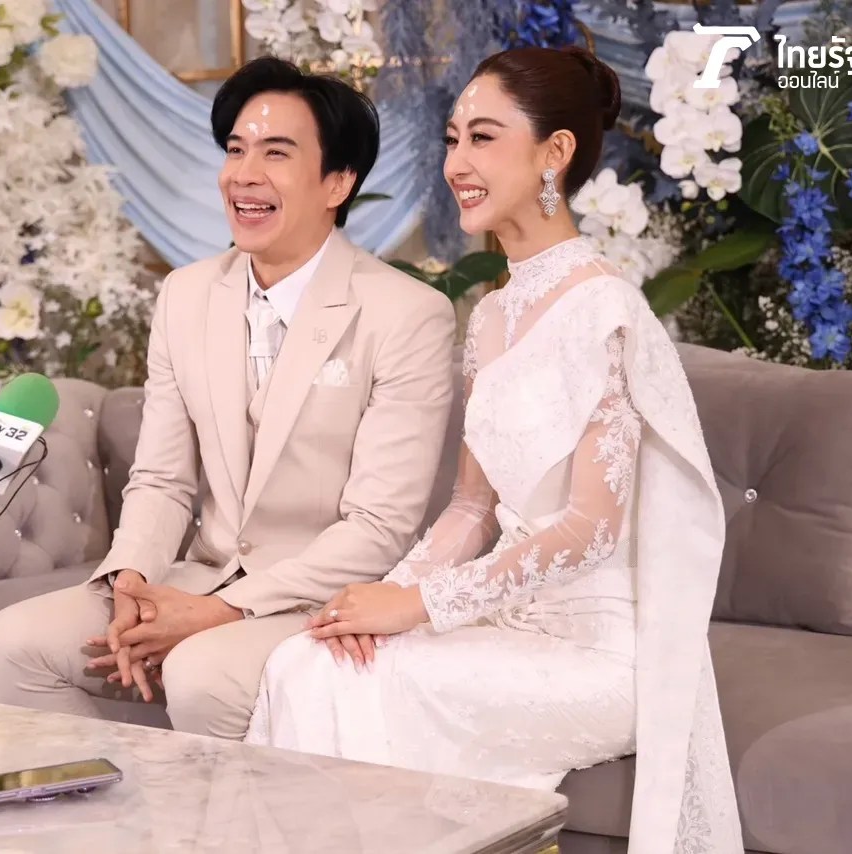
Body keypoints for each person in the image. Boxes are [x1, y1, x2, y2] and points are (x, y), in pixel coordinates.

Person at [243, 46, 745, 854]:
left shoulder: (606, 310)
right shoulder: (490, 316)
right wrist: (379, 599)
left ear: (555, 152)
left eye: (482, 137)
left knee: (366, 680)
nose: (456, 164)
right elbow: (472, 509)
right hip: (500, 621)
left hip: (597, 653)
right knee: (306, 661)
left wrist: (419, 608)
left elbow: (591, 530)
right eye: (451, 139)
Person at [0, 56, 457, 741]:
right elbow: (162, 479)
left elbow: (379, 528)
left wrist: (221, 612)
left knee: (201, 673)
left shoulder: (407, 314)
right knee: (10, 645)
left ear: (338, 181)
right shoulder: (187, 294)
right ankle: (112, 805)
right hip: (197, 575)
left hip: (317, 598)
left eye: (276, 153)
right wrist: (131, 582)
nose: (244, 174)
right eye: (235, 150)